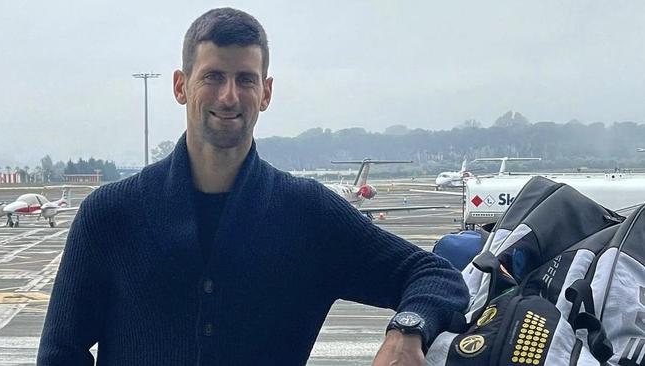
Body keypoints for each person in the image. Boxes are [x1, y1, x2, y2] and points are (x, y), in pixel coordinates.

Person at [37, 7, 468, 365]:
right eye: (212, 77)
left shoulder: (307, 215)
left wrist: (406, 330)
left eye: (245, 79)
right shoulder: (111, 215)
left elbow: (436, 276)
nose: (229, 96)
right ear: (180, 86)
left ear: (266, 93)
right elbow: (61, 350)